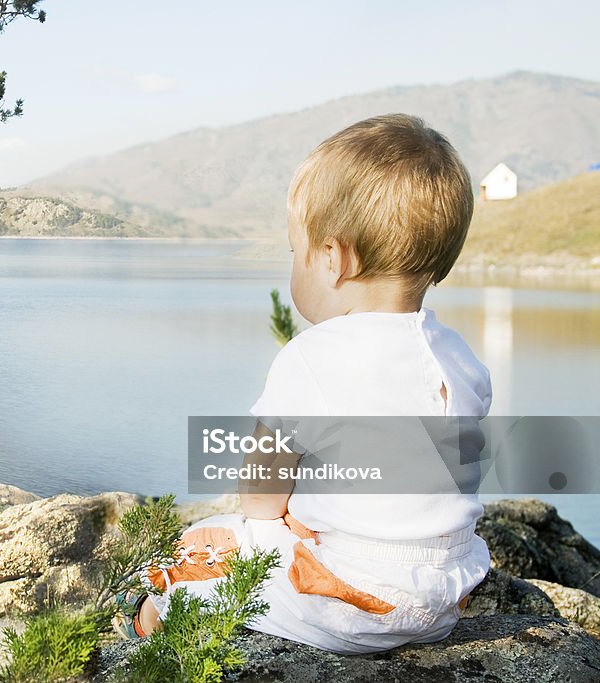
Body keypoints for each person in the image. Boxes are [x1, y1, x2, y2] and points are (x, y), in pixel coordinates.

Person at [119, 113, 493, 654]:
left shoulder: (314, 356)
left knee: (201, 548)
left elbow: (262, 494)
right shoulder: (460, 356)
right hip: (444, 599)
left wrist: (277, 523)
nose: (293, 264)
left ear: (334, 259)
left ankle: (144, 636)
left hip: (355, 603)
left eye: (296, 250)